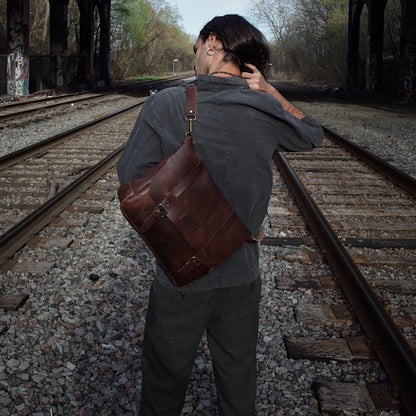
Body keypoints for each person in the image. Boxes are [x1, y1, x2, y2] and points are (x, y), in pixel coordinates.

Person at [117, 14, 323, 416]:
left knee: (163, 384)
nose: (195, 58)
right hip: (242, 275)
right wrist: (269, 90)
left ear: (212, 42)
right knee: (237, 383)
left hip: (180, 275)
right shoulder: (266, 109)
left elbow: (129, 176)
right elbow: (312, 133)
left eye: (196, 48)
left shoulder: (166, 104)